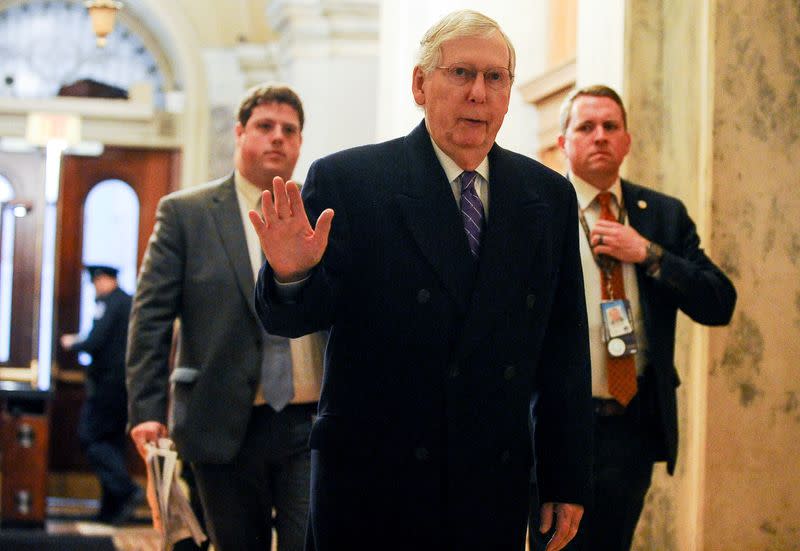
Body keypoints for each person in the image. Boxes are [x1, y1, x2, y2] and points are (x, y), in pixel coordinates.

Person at [250, 10, 592, 551]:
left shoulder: (546, 197)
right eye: (460, 74)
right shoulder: (351, 181)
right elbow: (294, 318)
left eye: (495, 77)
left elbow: (565, 349)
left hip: (489, 486)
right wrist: (290, 271)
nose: (478, 93)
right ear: (419, 84)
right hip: (372, 488)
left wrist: (565, 475)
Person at [534, 84, 737, 550]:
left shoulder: (661, 215)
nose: (600, 136)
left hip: (630, 425)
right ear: (563, 143)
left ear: (626, 141)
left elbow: (718, 301)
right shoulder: (539, 212)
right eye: (586, 127)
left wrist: (648, 253)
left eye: (611, 126)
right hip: (556, 425)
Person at [126, 84, 326, 551]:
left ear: (300, 143)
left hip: (307, 422)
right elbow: (151, 316)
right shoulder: (186, 213)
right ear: (239, 133)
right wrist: (147, 411)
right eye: (264, 126)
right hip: (220, 418)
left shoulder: (320, 214)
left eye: (289, 130)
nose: (277, 138)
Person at [60, 265, 142, 525]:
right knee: (113, 443)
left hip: (107, 385)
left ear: (105, 280)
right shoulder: (129, 302)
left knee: (91, 438)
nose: (95, 288)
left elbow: (96, 340)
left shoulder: (110, 303)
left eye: (96, 282)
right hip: (124, 385)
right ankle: (111, 509)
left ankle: (126, 489)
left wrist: (74, 343)